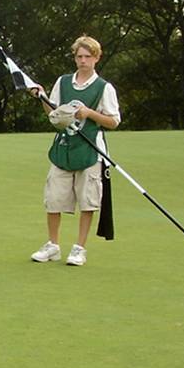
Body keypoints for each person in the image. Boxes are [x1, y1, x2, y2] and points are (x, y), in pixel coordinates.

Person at [30, 35, 121, 267]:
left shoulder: (104, 88)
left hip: (89, 150)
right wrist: (42, 96)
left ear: (96, 58)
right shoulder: (63, 81)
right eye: (79, 56)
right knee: (53, 199)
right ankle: (53, 245)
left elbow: (113, 121)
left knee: (87, 201)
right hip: (63, 148)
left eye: (87, 56)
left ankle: (79, 248)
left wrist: (89, 113)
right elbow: (53, 114)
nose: (82, 60)